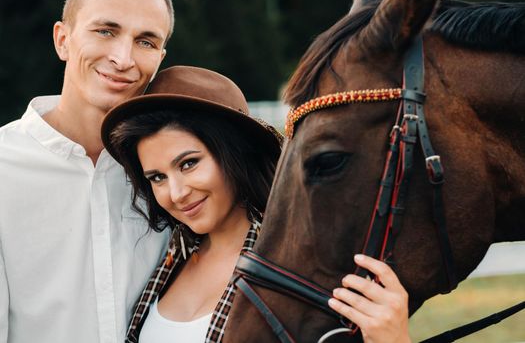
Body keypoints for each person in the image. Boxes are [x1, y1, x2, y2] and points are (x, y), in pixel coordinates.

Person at [101, 65, 411, 343]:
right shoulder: (162, 260)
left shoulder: (300, 268)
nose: (176, 192)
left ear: (233, 155)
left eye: (188, 164)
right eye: (157, 178)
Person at [0, 0, 175, 342]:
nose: (123, 59)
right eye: (106, 31)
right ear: (62, 40)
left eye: (145, 41)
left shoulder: (171, 173)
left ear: (160, 58)